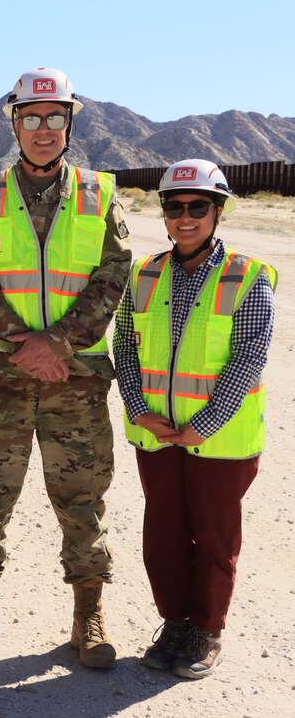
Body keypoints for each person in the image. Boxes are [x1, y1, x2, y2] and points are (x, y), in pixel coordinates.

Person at [0, 68, 132, 668]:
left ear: (70, 123)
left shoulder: (101, 194)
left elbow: (112, 278)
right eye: (32, 118)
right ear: (15, 124)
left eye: (55, 117)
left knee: (82, 499)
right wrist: (25, 343)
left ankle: (88, 615)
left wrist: (59, 344)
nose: (44, 129)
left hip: (74, 382)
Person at [114, 160, 275, 679]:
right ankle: (175, 621)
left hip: (220, 439)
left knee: (213, 537)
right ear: (162, 213)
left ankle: (206, 628)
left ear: (218, 211)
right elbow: (124, 343)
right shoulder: (143, 274)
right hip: (157, 433)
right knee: (162, 534)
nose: (186, 217)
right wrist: (139, 407)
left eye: (198, 207)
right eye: (175, 206)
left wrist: (205, 423)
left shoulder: (247, 276)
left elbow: (249, 355)